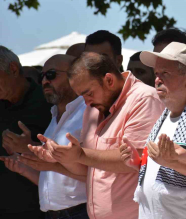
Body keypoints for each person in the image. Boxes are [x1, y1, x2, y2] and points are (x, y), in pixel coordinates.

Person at [30, 52, 165, 219]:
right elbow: (87, 170)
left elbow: (134, 159)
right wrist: (62, 157)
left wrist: (80, 155)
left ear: (109, 80)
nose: (86, 102)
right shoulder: (92, 109)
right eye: (82, 96)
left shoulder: (144, 98)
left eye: (89, 93)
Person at [125, 42, 186, 219]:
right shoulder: (165, 114)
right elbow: (163, 166)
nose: (157, 79)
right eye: (157, 73)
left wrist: (178, 158)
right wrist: (139, 163)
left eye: (165, 73)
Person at [1, 54, 88, 219]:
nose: (45, 81)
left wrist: (28, 146)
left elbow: (92, 172)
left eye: (51, 75)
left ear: (76, 76)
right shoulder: (54, 117)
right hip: (53, 214)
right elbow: (51, 176)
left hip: (80, 212)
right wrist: (23, 168)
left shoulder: (88, 112)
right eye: (42, 76)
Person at [0, 46, 52, 218]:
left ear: (13, 69)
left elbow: (67, 157)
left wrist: (28, 147)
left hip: (36, 209)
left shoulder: (48, 103)